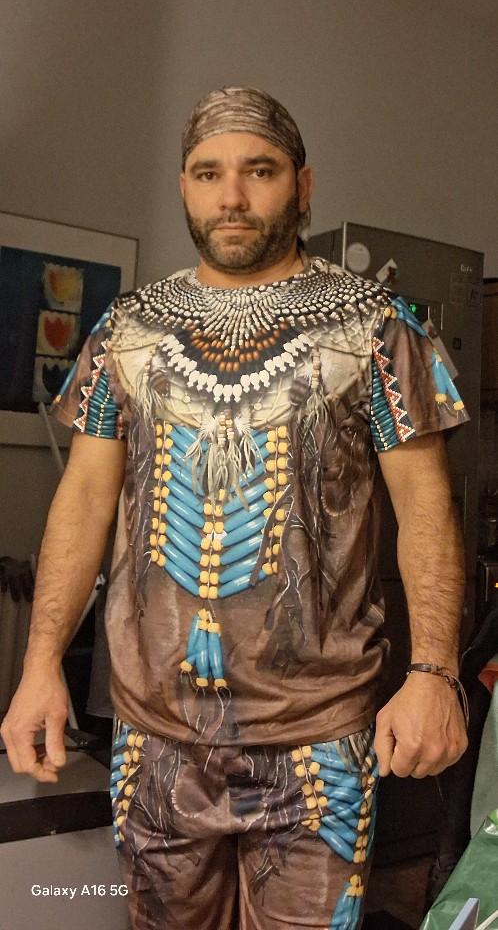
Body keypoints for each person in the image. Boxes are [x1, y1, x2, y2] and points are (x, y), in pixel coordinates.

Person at [1, 86, 469, 930]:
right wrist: (40, 664)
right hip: (153, 738)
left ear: (303, 183)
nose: (232, 196)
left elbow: (427, 506)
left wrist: (434, 673)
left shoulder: (380, 326)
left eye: (260, 170)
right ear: (183, 185)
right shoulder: (126, 327)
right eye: (208, 173)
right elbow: (85, 497)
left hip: (319, 738)